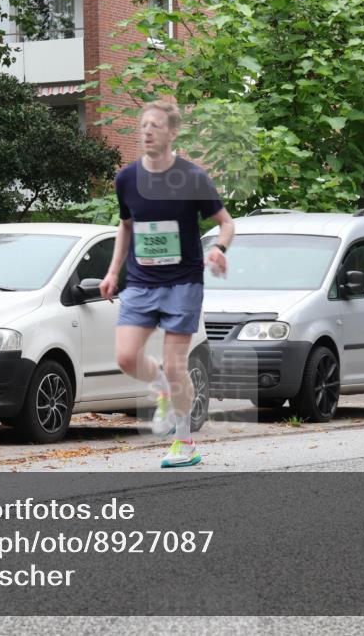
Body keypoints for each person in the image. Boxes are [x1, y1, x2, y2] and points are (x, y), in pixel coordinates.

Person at [100, 100, 235, 468]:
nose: (146, 131)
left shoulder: (192, 178)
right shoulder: (126, 179)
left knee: (177, 365)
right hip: (142, 282)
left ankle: (184, 441)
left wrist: (220, 249)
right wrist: (113, 272)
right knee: (126, 357)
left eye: (155, 125)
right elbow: (125, 226)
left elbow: (226, 223)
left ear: (172, 133)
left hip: (182, 283)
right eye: (143, 125)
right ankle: (159, 385)